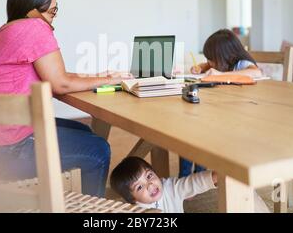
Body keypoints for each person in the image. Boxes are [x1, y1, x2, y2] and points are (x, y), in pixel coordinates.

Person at [0, 0, 131, 197]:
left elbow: (56, 75)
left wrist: (97, 76)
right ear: (32, 10)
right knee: (98, 149)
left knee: (85, 131)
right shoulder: (35, 27)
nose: (53, 17)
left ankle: (70, 194)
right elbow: (60, 84)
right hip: (8, 150)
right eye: (51, 11)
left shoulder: (6, 30)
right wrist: (108, 80)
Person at [180, 29, 263, 177]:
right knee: (190, 126)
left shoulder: (241, 64)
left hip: (239, 117)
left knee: (197, 129)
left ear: (226, 56)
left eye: (211, 59)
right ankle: (189, 176)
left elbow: (257, 73)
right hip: (220, 110)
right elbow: (208, 66)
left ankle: (198, 175)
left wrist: (222, 75)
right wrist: (201, 67)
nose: (209, 63)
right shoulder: (220, 63)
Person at [110, 156, 269, 213]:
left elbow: (191, 184)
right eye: (139, 187)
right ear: (131, 199)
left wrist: (214, 177)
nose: (150, 184)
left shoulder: (170, 188)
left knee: (238, 185)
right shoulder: (128, 209)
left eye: (149, 175)